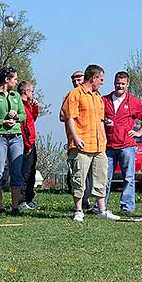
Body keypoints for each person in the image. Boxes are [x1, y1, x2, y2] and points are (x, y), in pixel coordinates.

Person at [62, 64, 121, 222]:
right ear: (93, 78)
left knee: (101, 177)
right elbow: (70, 118)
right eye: (100, 79)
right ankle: (79, 210)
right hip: (81, 145)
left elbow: (101, 121)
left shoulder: (97, 97)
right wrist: (75, 138)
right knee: (79, 178)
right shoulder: (75, 94)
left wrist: (104, 138)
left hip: (98, 146)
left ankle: (102, 210)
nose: (102, 82)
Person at [103, 71, 142, 214]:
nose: (120, 86)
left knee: (129, 178)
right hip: (109, 146)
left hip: (127, 146)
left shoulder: (133, 101)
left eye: (123, 84)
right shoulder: (104, 100)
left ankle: (127, 206)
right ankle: (101, 206)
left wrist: (139, 132)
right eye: (118, 83)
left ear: (128, 85)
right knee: (104, 178)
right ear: (114, 83)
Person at [0, 66, 27, 215]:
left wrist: (16, 117)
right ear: (6, 80)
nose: (16, 81)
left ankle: (15, 207)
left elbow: (23, 115)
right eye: (14, 78)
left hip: (16, 137)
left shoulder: (16, 96)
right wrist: (2, 121)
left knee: (16, 172)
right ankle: (0, 208)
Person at [60, 70, 92, 211]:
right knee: (76, 173)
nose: (76, 83)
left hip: (90, 141)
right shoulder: (69, 96)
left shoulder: (91, 95)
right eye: (74, 81)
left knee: (90, 175)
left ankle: (88, 201)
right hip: (75, 141)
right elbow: (62, 116)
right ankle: (79, 204)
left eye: (79, 80)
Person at [17, 81, 39, 210]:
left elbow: (32, 119)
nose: (33, 93)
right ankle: (21, 200)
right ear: (25, 92)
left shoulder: (28, 105)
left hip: (31, 141)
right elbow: (22, 126)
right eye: (31, 90)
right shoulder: (20, 105)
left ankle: (29, 198)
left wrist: (35, 107)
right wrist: (27, 145)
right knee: (24, 172)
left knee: (31, 171)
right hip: (25, 143)